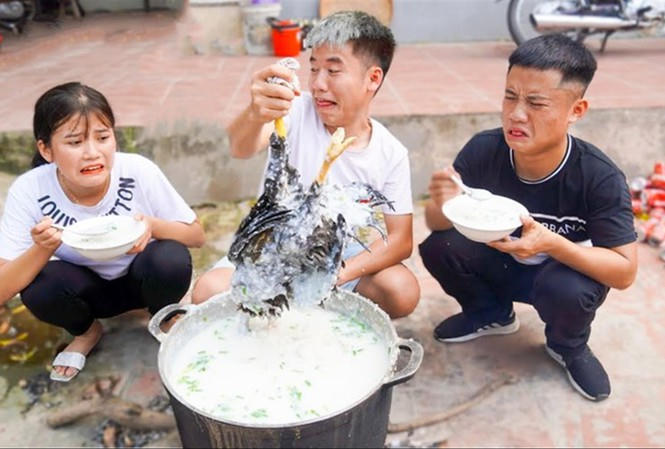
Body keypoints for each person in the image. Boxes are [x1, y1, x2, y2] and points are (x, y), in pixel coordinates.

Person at [419, 34, 637, 401]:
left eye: (536, 103)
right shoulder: (484, 149)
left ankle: (568, 346)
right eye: (510, 96)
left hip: (559, 277)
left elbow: (625, 271)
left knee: (570, 290)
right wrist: (442, 202)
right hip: (501, 262)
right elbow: (438, 224)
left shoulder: (598, 177)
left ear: (576, 111)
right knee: (439, 247)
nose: (516, 114)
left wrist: (553, 244)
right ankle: (490, 314)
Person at [192, 10, 420, 318]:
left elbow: (400, 240)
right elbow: (240, 147)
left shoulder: (390, 153)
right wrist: (255, 114)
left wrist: (337, 274)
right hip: (271, 249)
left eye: (333, 71)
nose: (318, 84)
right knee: (207, 291)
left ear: (373, 78)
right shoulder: (295, 111)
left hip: (335, 255)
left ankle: (323, 308)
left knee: (402, 289)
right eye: (314, 69)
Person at [0, 82, 205, 382]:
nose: (93, 153)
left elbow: (197, 236)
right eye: (75, 142)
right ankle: (86, 332)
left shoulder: (137, 171)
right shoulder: (30, 190)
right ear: (46, 149)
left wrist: (153, 225)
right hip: (86, 293)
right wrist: (42, 248)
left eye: (103, 137)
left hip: (143, 282)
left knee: (169, 256)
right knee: (40, 286)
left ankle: (163, 316)